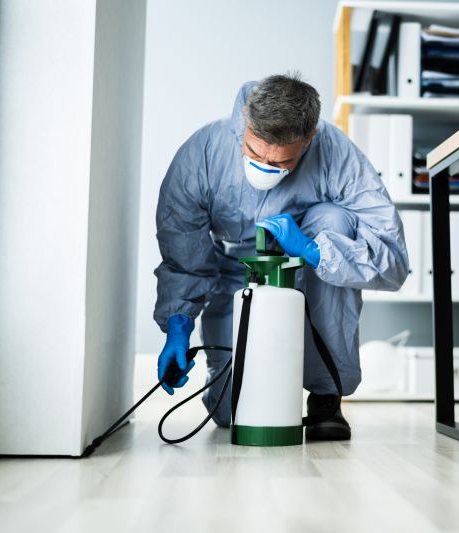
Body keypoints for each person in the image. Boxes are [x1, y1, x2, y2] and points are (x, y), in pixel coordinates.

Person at [153, 73, 408, 441]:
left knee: (333, 219)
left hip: (303, 267)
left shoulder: (334, 151)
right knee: (231, 412)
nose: (265, 167)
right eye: (255, 152)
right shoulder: (202, 154)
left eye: (283, 163)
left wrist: (313, 249)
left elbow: (392, 257)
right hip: (235, 274)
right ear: (244, 118)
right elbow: (183, 254)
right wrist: (178, 327)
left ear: (310, 139)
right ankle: (226, 388)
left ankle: (325, 398)